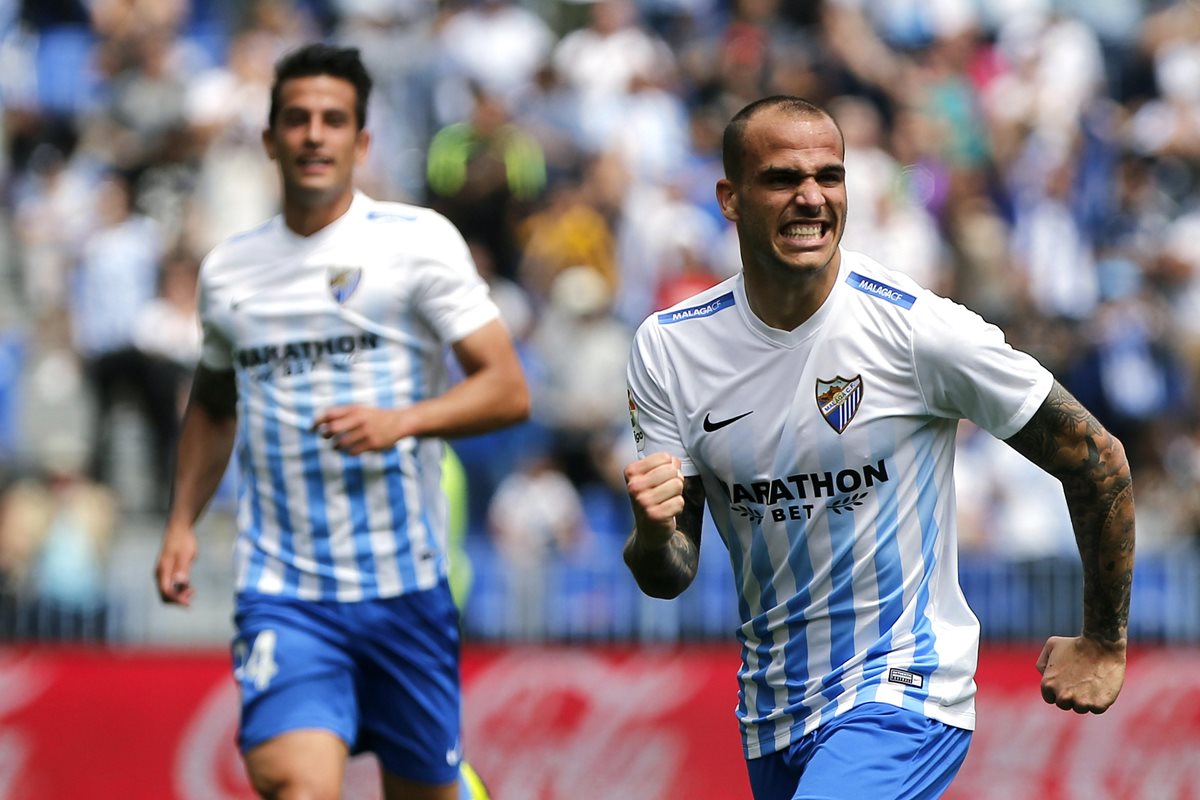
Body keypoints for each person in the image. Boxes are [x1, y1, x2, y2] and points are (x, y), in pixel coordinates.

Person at [622, 96, 1135, 799]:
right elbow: (669, 571)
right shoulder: (670, 347)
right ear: (730, 198)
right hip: (772, 709)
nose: (811, 198)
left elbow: (1096, 455)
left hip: (903, 688)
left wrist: (1104, 639)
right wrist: (652, 533)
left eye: (829, 177)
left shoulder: (918, 331)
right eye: (781, 179)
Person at [153, 44, 526, 800]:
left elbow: (508, 390)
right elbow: (214, 404)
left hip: (405, 589)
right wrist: (182, 521)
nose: (313, 135)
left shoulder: (417, 242)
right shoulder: (230, 272)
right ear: (269, 140)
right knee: (296, 783)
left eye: (333, 121)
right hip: (284, 590)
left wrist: (404, 421)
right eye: (296, 120)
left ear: (361, 142)